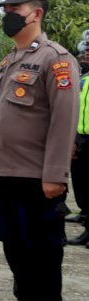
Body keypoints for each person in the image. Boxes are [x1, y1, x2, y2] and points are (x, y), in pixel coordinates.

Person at [0, 0, 79, 301]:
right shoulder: (11, 60)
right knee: (17, 249)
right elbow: (0, 118)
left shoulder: (56, 59)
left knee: (43, 251)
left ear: (36, 13)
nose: (8, 12)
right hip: (7, 173)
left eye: (15, 7)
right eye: (5, 6)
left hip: (38, 178)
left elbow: (63, 121)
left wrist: (55, 175)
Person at [66, 34, 89, 241]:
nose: (85, 54)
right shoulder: (82, 78)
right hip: (81, 138)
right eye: (85, 50)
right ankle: (85, 214)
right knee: (81, 180)